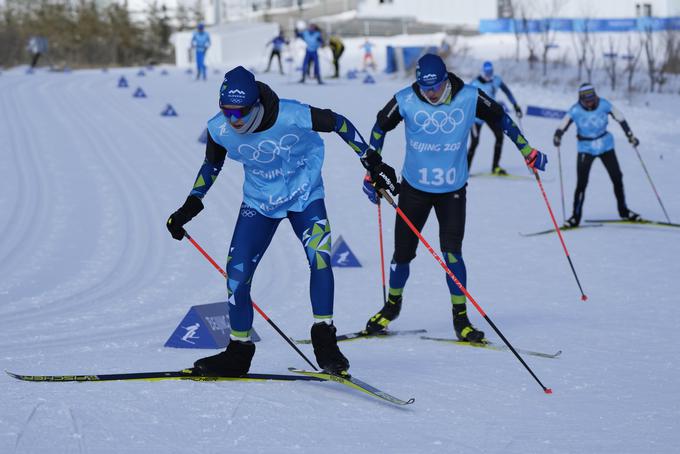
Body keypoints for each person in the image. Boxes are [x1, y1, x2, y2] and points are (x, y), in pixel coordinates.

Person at [166, 66, 399, 377]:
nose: (234, 119)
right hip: (259, 203)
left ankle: (325, 341)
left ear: (255, 105)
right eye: (227, 111)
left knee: (319, 259)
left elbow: (339, 122)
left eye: (241, 111)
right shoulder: (219, 129)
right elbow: (211, 165)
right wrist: (190, 206)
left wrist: (370, 158)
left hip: (305, 196)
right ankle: (238, 351)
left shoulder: (291, 114)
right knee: (236, 275)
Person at [361, 54, 547, 342]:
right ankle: (392, 306)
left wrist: (527, 151)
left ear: (446, 79)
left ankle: (461, 318)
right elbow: (378, 127)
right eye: (425, 88)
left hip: (452, 191)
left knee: (452, 254)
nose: (430, 93)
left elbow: (503, 120)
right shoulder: (406, 99)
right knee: (402, 255)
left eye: (435, 87)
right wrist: (371, 170)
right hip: (414, 189)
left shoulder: (470, 96)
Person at [553, 83, 641, 227]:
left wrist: (630, 135)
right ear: (580, 99)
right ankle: (575, 218)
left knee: (617, 178)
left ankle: (624, 211)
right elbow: (563, 124)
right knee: (581, 184)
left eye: (592, 99)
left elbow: (620, 117)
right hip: (586, 149)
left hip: (606, 145)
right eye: (587, 100)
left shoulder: (604, 104)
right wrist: (558, 136)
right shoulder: (575, 110)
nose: (590, 102)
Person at [467, 61, 523, 176]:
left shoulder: (496, 80)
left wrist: (516, 105)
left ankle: (495, 167)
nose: (489, 75)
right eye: (486, 73)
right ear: (482, 72)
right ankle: (465, 170)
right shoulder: (474, 83)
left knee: (499, 136)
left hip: (489, 114)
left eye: (490, 72)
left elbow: (507, 92)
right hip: (475, 118)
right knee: (475, 142)